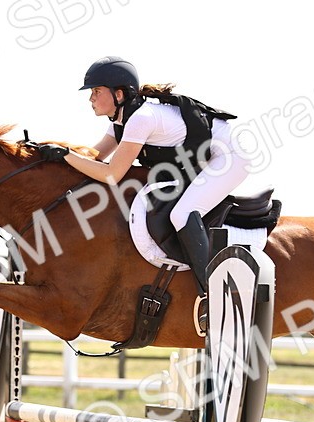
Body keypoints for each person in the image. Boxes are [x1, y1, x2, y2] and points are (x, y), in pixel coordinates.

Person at [34, 56, 253, 331]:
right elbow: (95, 157)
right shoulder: (121, 120)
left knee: (182, 213)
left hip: (230, 156)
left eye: (96, 91)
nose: (90, 98)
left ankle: (213, 295)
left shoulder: (141, 119)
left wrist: (66, 156)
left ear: (119, 94)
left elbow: (112, 174)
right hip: (204, 154)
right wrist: (49, 155)